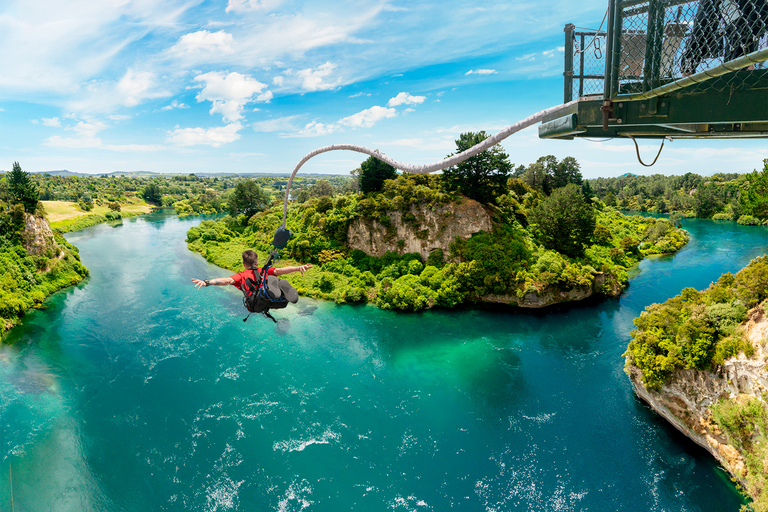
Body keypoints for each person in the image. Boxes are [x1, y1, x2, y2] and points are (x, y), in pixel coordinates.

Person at [191, 250, 311, 304]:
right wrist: (298, 268)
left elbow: (226, 281)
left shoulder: (241, 275)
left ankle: (269, 291)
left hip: (255, 303)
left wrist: (207, 282)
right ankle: (279, 292)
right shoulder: (264, 270)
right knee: (275, 277)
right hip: (272, 301)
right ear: (257, 263)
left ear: (244, 264)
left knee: (267, 288)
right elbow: (280, 270)